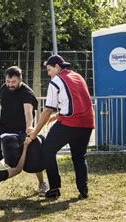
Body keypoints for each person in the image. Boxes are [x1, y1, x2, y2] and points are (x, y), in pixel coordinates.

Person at [26, 54, 94, 199]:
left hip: (70, 124)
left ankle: (54, 188)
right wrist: (57, 116)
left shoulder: (56, 81)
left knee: (48, 150)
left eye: (49, 70)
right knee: (79, 156)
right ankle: (83, 190)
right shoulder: (77, 76)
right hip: (87, 123)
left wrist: (34, 133)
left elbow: (47, 109)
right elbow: (77, 102)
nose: (48, 73)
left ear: (57, 67)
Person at [0, 66, 49, 193]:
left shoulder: (26, 93)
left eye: (13, 82)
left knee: (34, 159)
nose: (10, 84)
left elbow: (28, 112)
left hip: (21, 133)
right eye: (8, 81)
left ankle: (41, 183)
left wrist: (29, 126)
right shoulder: (5, 88)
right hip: (2, 132)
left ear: (20, 79)